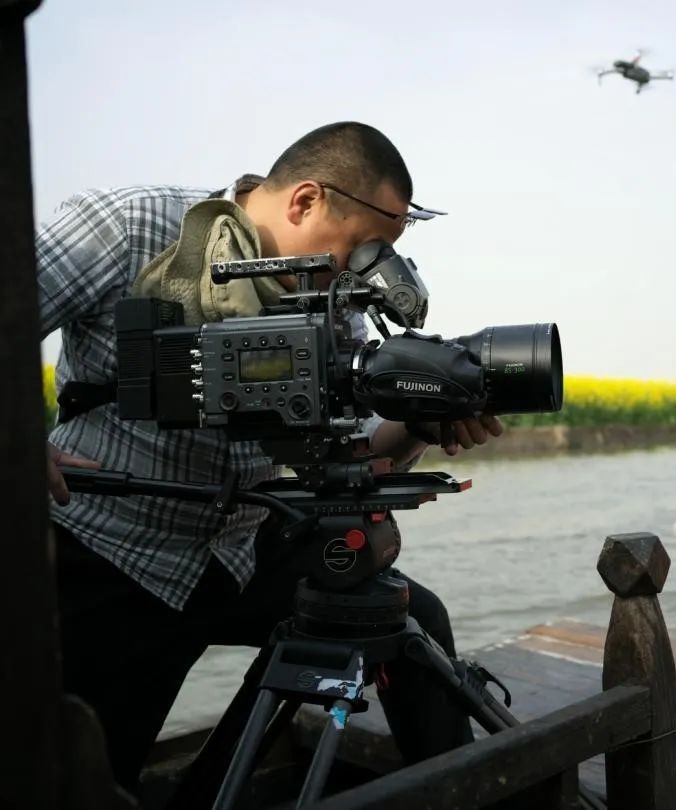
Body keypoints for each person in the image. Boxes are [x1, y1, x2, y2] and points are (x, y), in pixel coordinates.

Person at [40, 122, 500, 794]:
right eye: (361, 249)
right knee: (84, 777)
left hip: (240, 545)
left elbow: (354, 456)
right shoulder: (134, 225)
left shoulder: (333, 301)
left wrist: (416, 423)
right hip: (113, 553)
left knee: (400, 617)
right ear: (305, 201)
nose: (363, 271)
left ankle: (470, 795)